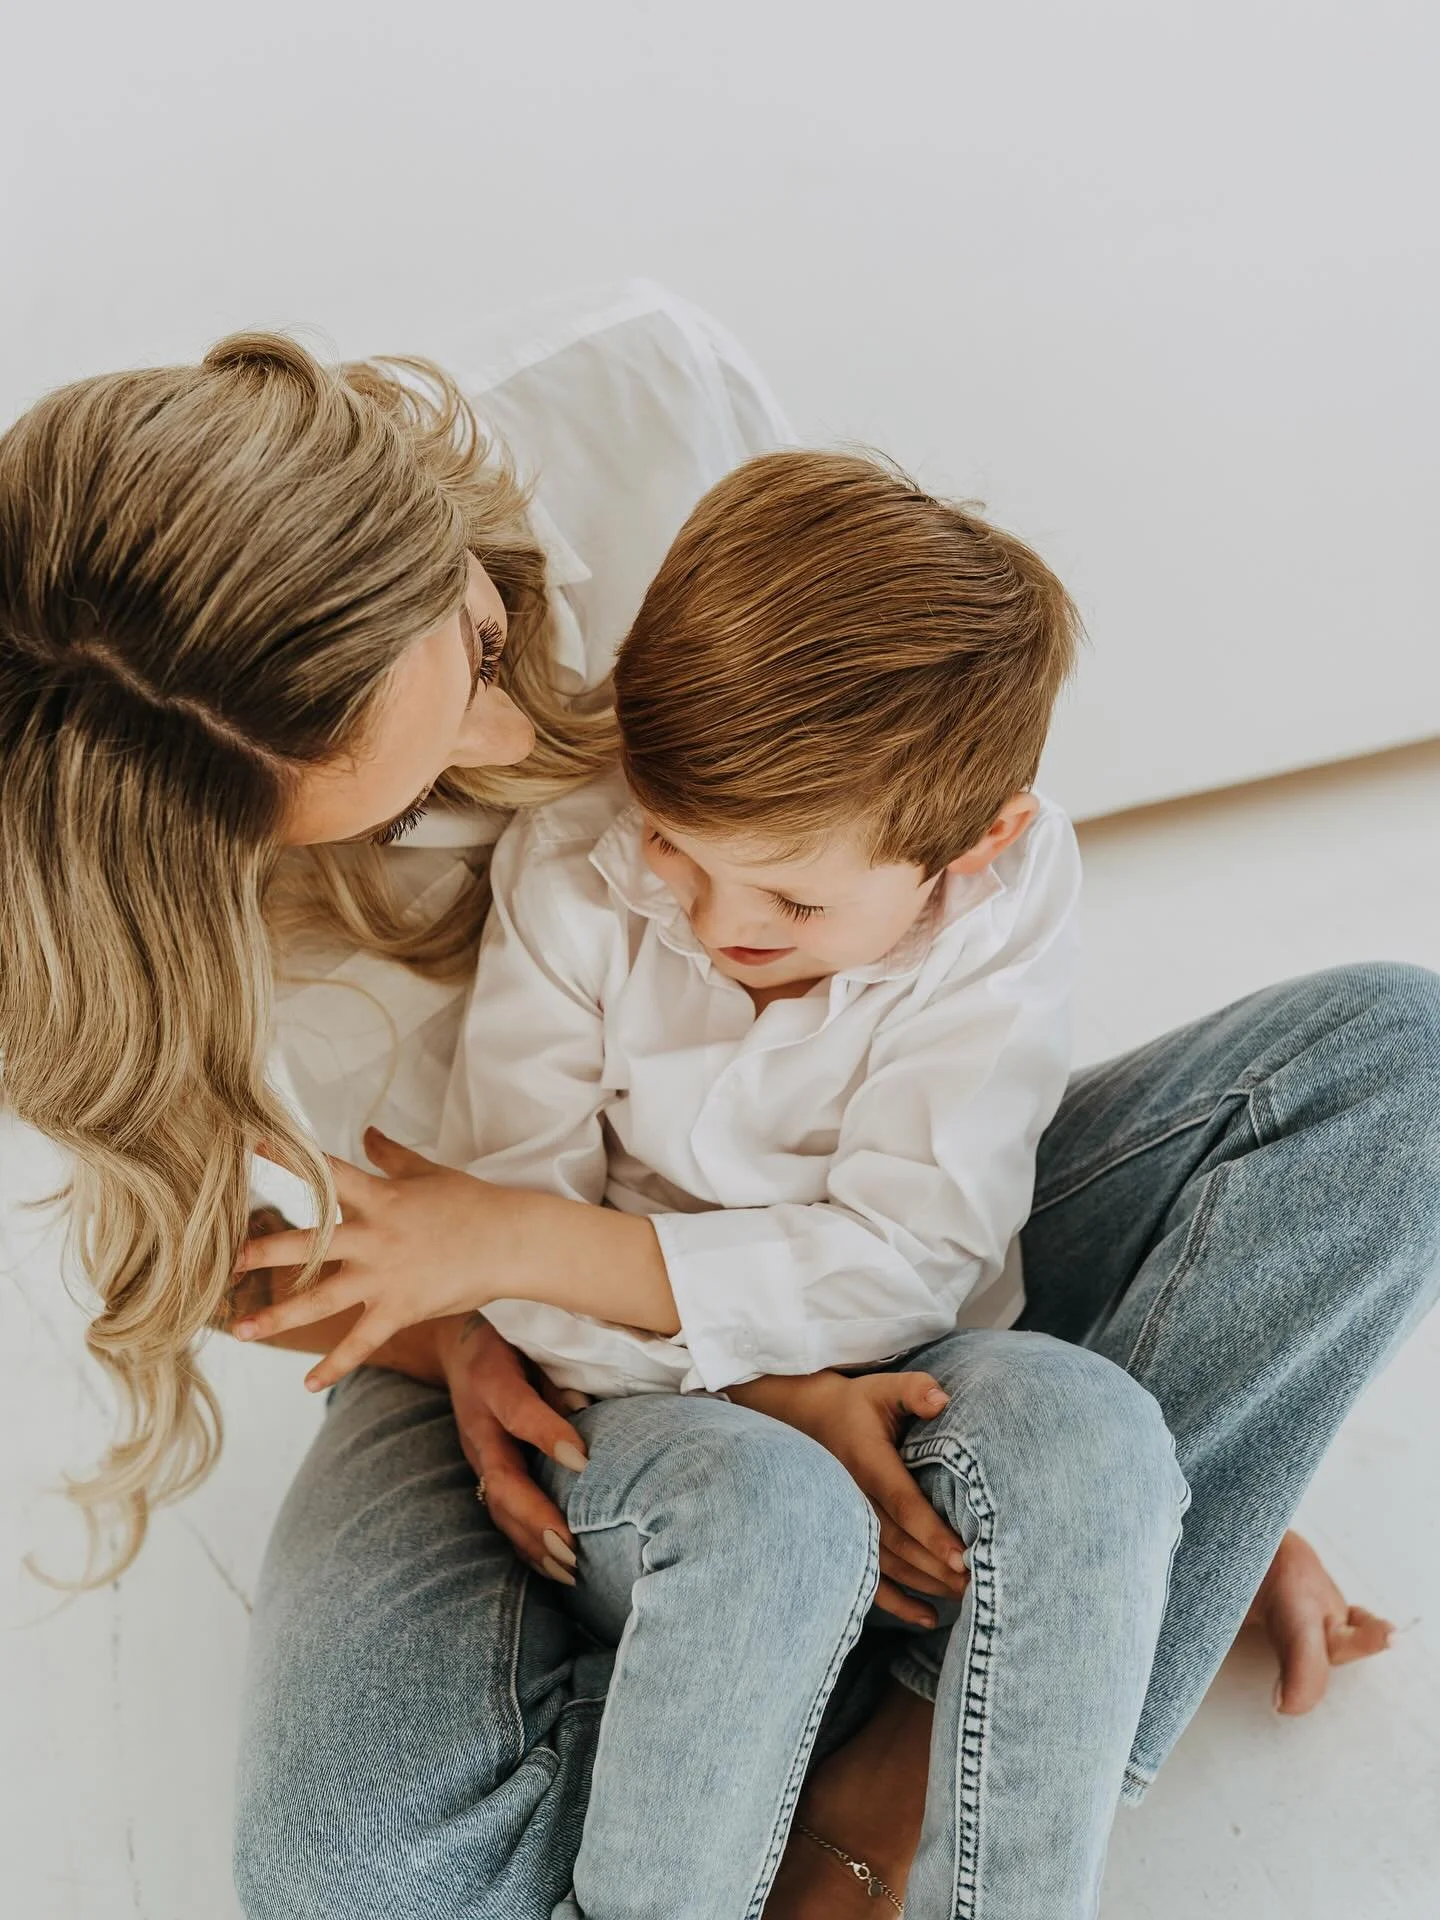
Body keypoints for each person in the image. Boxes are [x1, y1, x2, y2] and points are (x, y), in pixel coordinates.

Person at [0, 290, 1429, 1919]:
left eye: (473, 648)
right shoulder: (108, 919)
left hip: (869, 1248)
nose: (526, 738)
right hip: (505, 1358)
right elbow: (263, 1268)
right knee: (357, 1875)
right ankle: (880, 1669)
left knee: (1394, 1073)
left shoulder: (660, 431)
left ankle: (904, 1750)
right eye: (403, 794)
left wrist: (1189, 1492)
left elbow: (924, 997)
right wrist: (612, 1358)